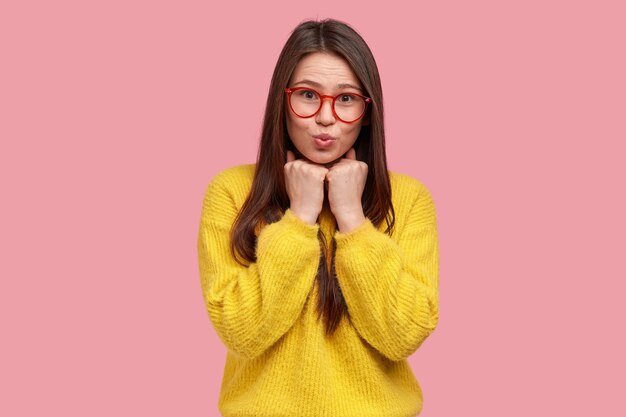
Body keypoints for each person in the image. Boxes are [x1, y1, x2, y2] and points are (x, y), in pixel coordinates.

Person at [197, 18, 440, 417]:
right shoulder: (231, 192)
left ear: (366, 111)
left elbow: (404, 334)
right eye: (308, 95)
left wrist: (352, 220)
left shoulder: (408, 199)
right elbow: (241, 331)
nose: (326, 117)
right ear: (282, 99)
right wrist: (300, 218)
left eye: (346, 99)